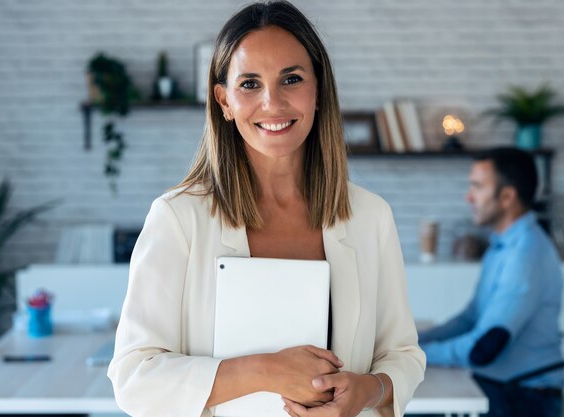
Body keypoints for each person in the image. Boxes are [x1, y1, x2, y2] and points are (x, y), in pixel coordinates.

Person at [107, 2, 425, 417]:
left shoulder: (370, 217)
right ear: (223, 101)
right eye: (250, 84)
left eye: (291, 79)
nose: (273, 103)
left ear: (319, 90)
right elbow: (133, 378)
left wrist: (370, 390)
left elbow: (403, 354)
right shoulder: (178, 218)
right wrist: (265, 370)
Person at [419, 147, 564, 417]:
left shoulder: (526, 255)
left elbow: (483, 349)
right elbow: (470, 319)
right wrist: (413, 341)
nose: (468, 196)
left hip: (525, 398)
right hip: (502, 386)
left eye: (477, 187)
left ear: (507, 196)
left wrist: (416, 355)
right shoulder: (502, 246)